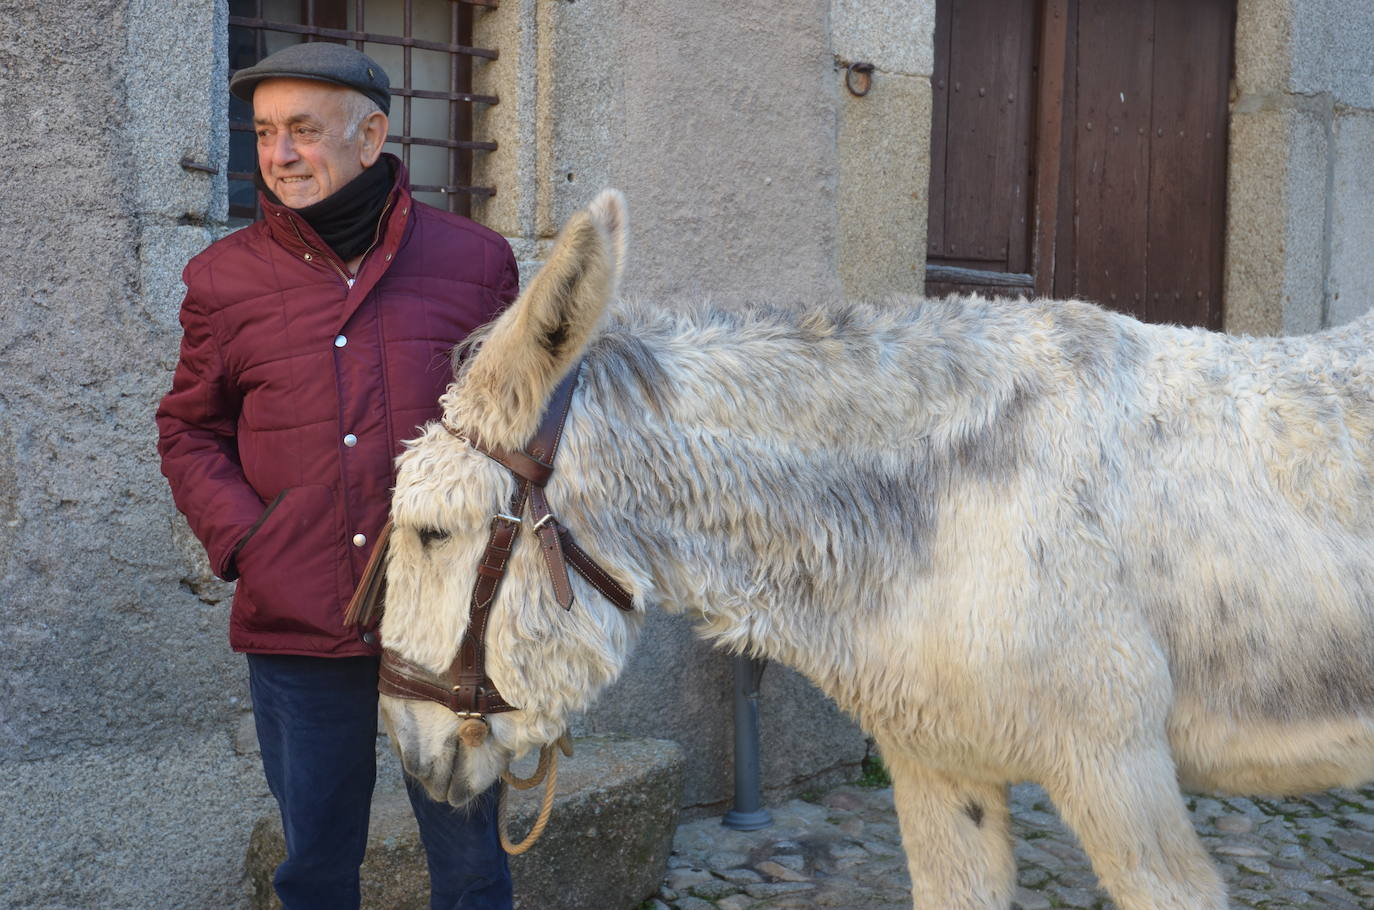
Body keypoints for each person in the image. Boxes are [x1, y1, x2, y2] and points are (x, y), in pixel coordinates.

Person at [156, 42, 517, 910]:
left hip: (446, 622)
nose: (279, 155)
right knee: (315, 864)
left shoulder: (477, 263)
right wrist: (251, 540)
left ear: (372, 135)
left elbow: (522, 424)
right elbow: (189, 427)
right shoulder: (223, 278)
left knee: (471, 868)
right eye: (266, 133)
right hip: (297, 618)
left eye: (305, 131)